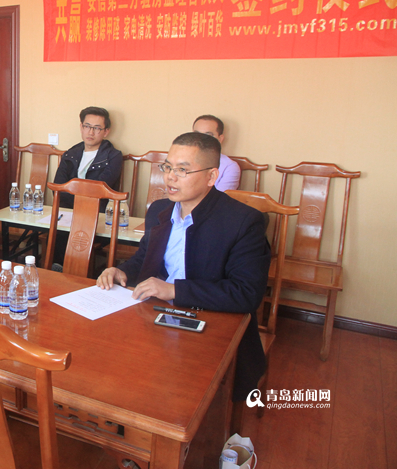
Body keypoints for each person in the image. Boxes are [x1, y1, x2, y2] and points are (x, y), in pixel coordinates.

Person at [96, 132, 270, 401]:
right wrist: (123, 271)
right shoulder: (160, 210)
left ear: (212, 177)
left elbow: (246, 294)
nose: (170, 177)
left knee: (183, 396)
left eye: (182, 170)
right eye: (167, 167)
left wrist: (174, 290)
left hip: (210, 324)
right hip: (157, 317)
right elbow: (145, 257)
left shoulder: (244, 222)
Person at [53, 106, 122, 211]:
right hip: (68, 210)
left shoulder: (113, 156)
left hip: (97, 211)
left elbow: (99, 190)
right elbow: (58, 187)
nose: (91, 132)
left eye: (97, 128)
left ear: (106, 132)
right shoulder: (70, 154)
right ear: (81, 127)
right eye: (87, 126)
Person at [192, 114, 240, 191]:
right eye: (196, 134)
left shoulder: (229, 167)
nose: (200, 139)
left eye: (208, 135)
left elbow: (221, 197)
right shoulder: (180, 159)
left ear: (220, 139)